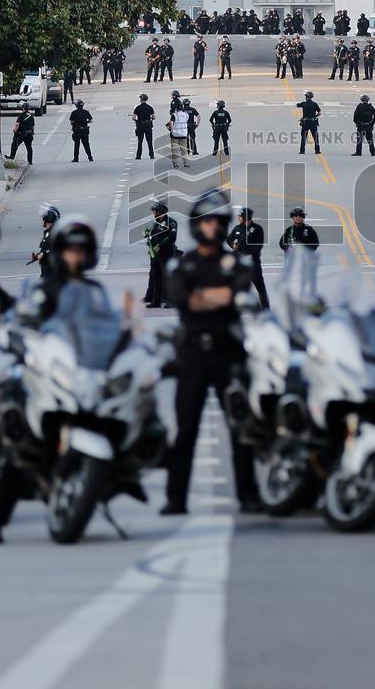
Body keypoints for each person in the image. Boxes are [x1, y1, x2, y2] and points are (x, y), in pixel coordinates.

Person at [0, 216, 106, 542]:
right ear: (59, 253)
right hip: (48, 375)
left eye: (81, 251)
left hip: (84, 376)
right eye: (70, 251)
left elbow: (111, 330)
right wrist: (21, 341)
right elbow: (26, 324)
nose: (75, 257)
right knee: (24, 446)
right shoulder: (46, 289)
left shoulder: (94, 293)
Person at [161, 191, 262, 515]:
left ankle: (248, 494)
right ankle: (175, 499)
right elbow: (180, 297)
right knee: (185, 428)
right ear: (197, 225)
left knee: (240, 426)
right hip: (191, 353)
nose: (213, 227)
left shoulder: (235, 262)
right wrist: (220, 295)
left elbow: (240, 293)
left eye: (218, 221)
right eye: (207, 221)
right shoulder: (183, 262)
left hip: (228, 351)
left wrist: (201, 295)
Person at [227, 207, 269, 309]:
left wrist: (248, 254)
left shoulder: (258, 229)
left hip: (253, 263)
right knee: (235, 287)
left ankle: (266, 309)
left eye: (240, 216)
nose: (238, 218)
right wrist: (233, 246)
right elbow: (229, 239)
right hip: (240, 265)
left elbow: (258, 245)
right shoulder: (237, 228)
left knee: (260, 288)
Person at [144, 201, 178, 308]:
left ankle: (170, 301)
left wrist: (159, 246)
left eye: (155, 211)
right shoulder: (156, 223)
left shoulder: (171, 223)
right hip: (155, 256)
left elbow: (171, 238)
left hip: (166, 255)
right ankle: (156, 301)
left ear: (161, 212)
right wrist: (149, 246)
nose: (153, 213)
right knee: (156, 278)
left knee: (167, 278)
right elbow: (152, 237)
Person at [30, 204, 60, 279]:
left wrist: (43, 254)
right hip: (46, 272)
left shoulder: (54, 233)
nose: (41, 220)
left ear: (46, 220)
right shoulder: (48, 232)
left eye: (43, 218)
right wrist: (38, 256)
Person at [167, 102, 191, 169]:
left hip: (175, 135)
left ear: (176, 108)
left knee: (175, 150)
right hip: (184, 134)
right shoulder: (186, 115)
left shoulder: (174, 115)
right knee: (184, 150)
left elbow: (171, 122)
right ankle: (186, 163)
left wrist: (171, 130)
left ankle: (175, 164)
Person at [132, 93, 155, 160]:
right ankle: (151, 155)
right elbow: (154, 117)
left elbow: (133, 118)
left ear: (141, 99)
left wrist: (137, 120)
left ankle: (138, 156)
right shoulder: (150, 107)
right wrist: (150, 119)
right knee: (149, 141)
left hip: (140, 126)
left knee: (140, 141)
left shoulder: (138, 108)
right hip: (148, 125)